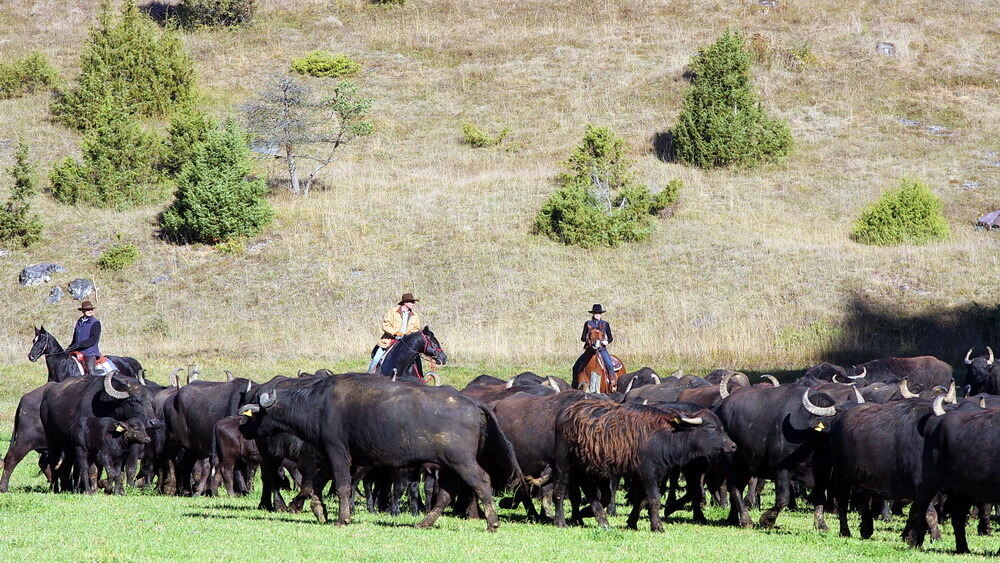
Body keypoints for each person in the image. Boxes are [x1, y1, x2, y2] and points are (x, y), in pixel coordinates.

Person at [368, 293, 423, 373]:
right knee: (376, 360)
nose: (413, 304)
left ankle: (421, 379)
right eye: (411, 302)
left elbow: (417, 329)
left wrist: (409, 335)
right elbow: (385, 325)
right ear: (405, 302)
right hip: (389, 341)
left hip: (406, 343)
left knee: (417, 360)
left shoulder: (415, 316)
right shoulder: (393, 312)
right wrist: (396, 333)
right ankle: (369, 378)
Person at [574, 304, 614, 380]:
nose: (597, 314)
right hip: (589, 350)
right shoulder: (587, 323)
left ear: (601, 314)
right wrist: (588, 339)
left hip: (601, 349)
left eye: (599, 313)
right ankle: (575, 384)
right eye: (595, 313)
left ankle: (612, 382)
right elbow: (582, 338)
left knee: (609, 365)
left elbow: (610, 338)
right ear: (593, 313)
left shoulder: (605, 324)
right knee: (576, 366)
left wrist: (606, 342)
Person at [64, 300, 102, 375]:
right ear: (83, 311)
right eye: (88, 310)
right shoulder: (79, 321)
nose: (90, 311)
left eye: (91, 309)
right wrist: (70, 347)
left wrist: (79, 345)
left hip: (89, 352)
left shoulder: (95, 323)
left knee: (91, 372)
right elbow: (75, 337)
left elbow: (93, 340)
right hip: (77, 350)